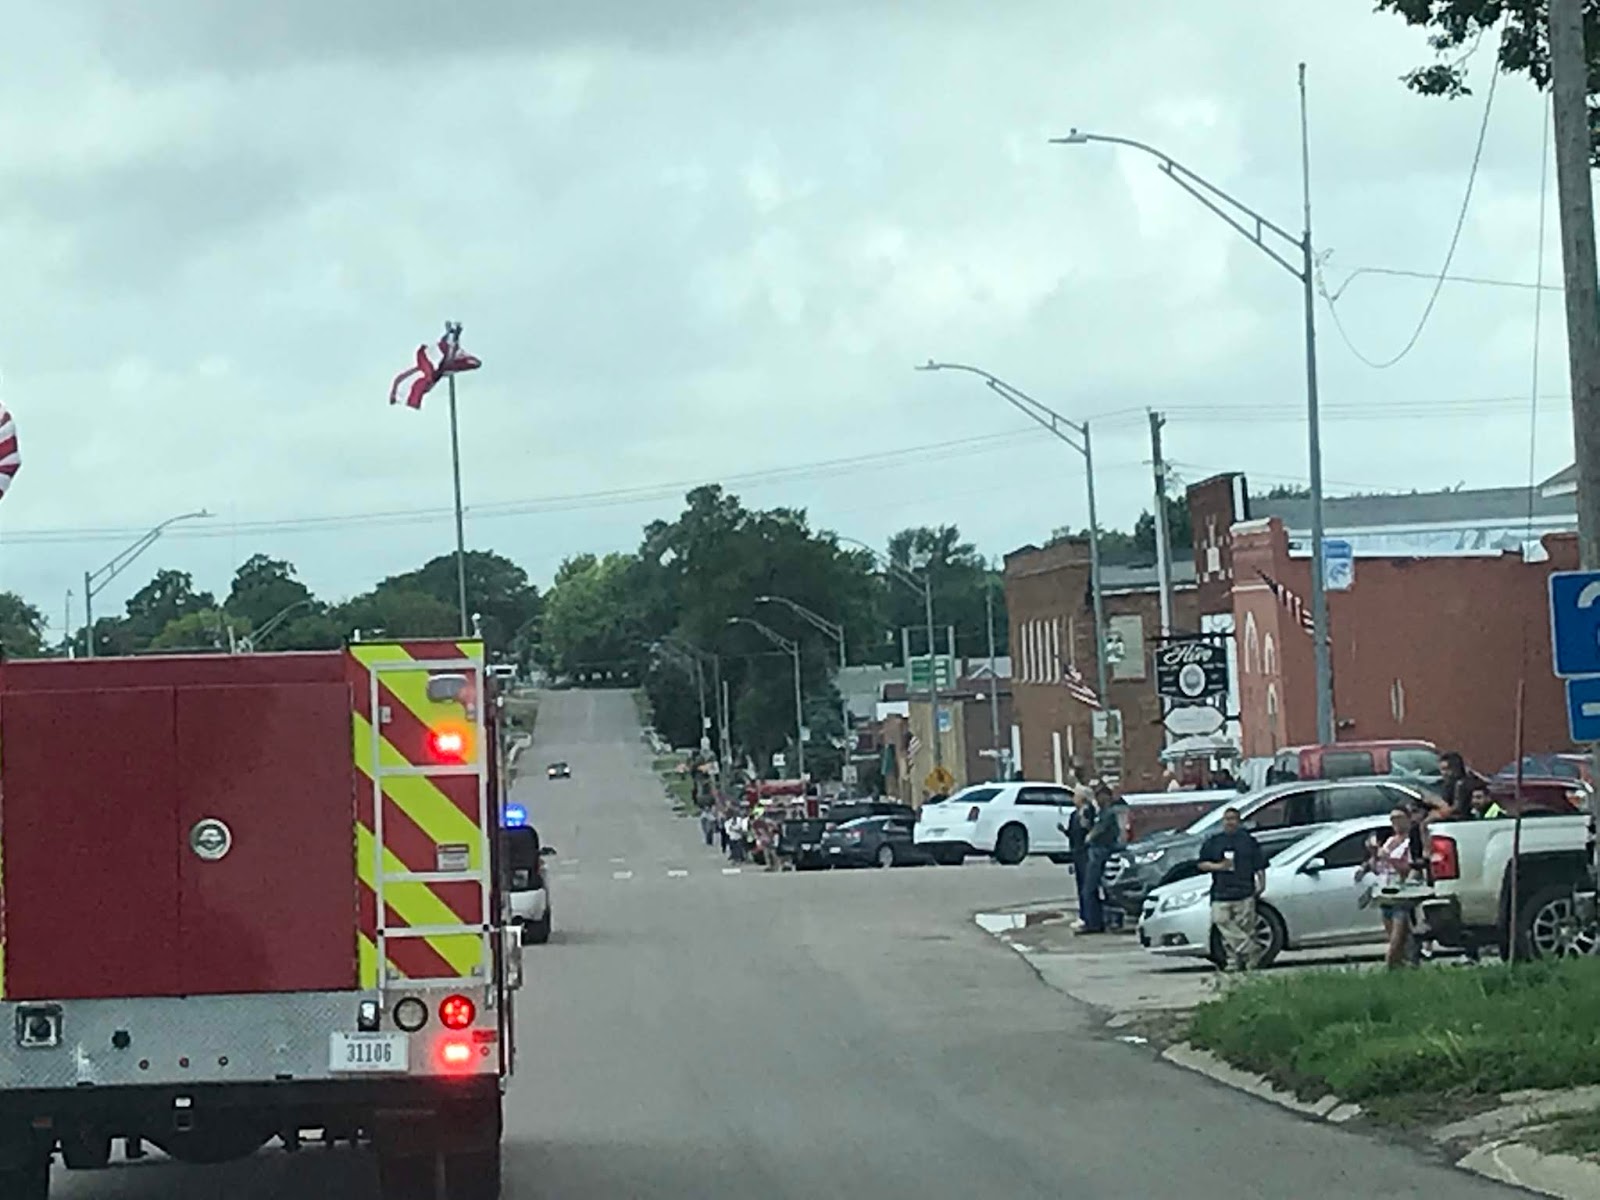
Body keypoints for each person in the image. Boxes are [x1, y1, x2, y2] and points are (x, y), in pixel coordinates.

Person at [1197, 806, 1267, 972]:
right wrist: (1218, 866)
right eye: (1227, 819)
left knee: (1244, 928)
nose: (1230, 822)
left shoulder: (1248, 841)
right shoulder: (1214, 841)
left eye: (1233, 819)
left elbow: (1260, 864)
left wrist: (1262, 883)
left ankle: (1241, 962)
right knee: (1221, 921)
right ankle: (1250, 949)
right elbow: (1201, 864)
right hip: (1221, 892)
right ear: (1223, 821)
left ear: (1239, 821)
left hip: (1244, 890)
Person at [1356, 806, 1424, 969]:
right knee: (1398, 938)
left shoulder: (1411, 842)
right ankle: (1408, 966)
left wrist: (1389, 859)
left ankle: (1391, 967)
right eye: (1393, 819)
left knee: (1396, 941)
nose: (1396, 822)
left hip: (1401, 892)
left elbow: (1409, 868)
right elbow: (1378, 867)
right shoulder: (1389, 841)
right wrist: (1373, 856)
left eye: (1400, 818)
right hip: (1385, 892)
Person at [1080, 782, 1123, 934]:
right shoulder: (1101, 812)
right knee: (1102, 889)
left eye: (1099, 795)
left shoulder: (1108, 813)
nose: (1097, 799)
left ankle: (1095, 923)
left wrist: (1089, 836)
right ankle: (1101, 920)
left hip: (1102, 852)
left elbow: (1098, 832)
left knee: (1090, 889)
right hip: (1100, 852)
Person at [1058, 786, 1098, 934]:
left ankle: (1090, 919)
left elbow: (1088, 829)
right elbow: (1074, 834)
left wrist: (1085, 824)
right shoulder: (1074, 814)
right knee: (1080, 885)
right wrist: (1064, 831)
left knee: (1087, 887)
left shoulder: (1087, 811)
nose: (1073, 798)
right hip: (1076, 852)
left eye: (1076, 796)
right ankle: (1083, 915)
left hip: (1085, 853)